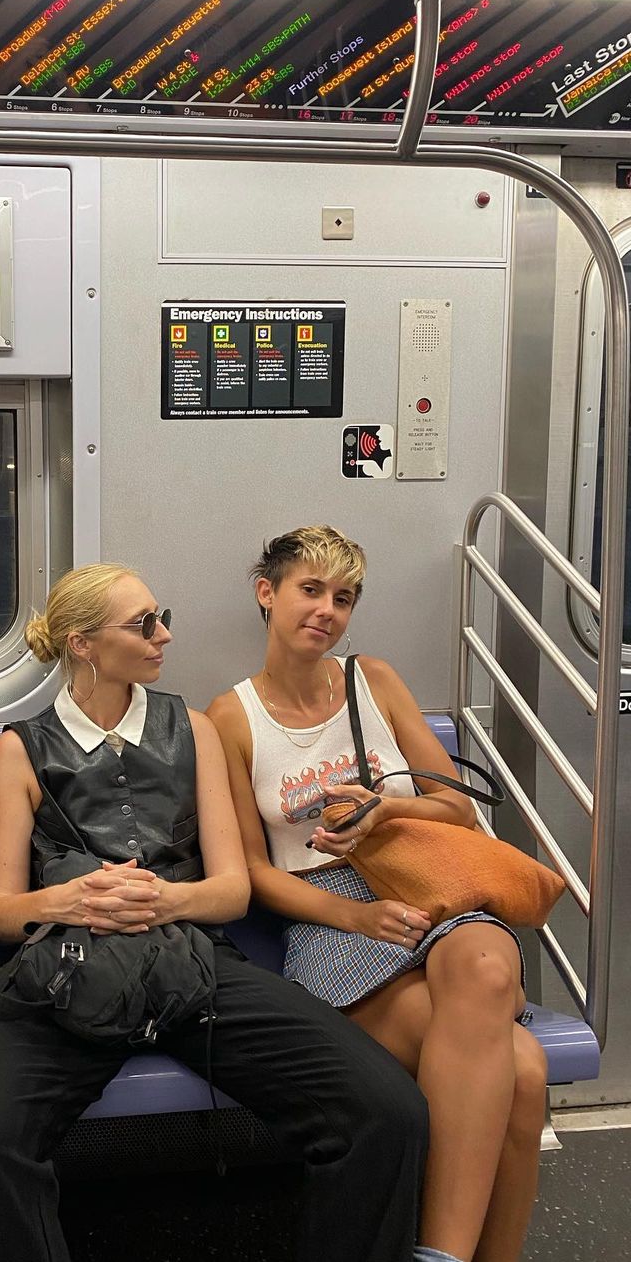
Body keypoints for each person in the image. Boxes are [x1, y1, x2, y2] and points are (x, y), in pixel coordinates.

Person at [0, 562, 428, 1262]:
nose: (164, 635)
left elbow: (232, 890)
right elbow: (6, 913)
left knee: (387, 1111)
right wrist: (74, 898)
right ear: (83, 644)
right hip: (70, 969)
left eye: (161, 617)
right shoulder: (24, 747)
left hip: (192, 961)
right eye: (144, 624)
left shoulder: (192, 729)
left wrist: (162, 899)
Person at [208, 526, 548, 1262]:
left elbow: (457, 808)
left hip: (421, 878)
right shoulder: (230, 719)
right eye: (310, 590)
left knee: (487, 967)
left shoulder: (376, 681)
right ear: (267, 593)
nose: (326, 611)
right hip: (330, 914)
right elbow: (255, 873)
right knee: (522, 1073)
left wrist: (386, 809)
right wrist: (355, 915)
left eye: (344, 598)